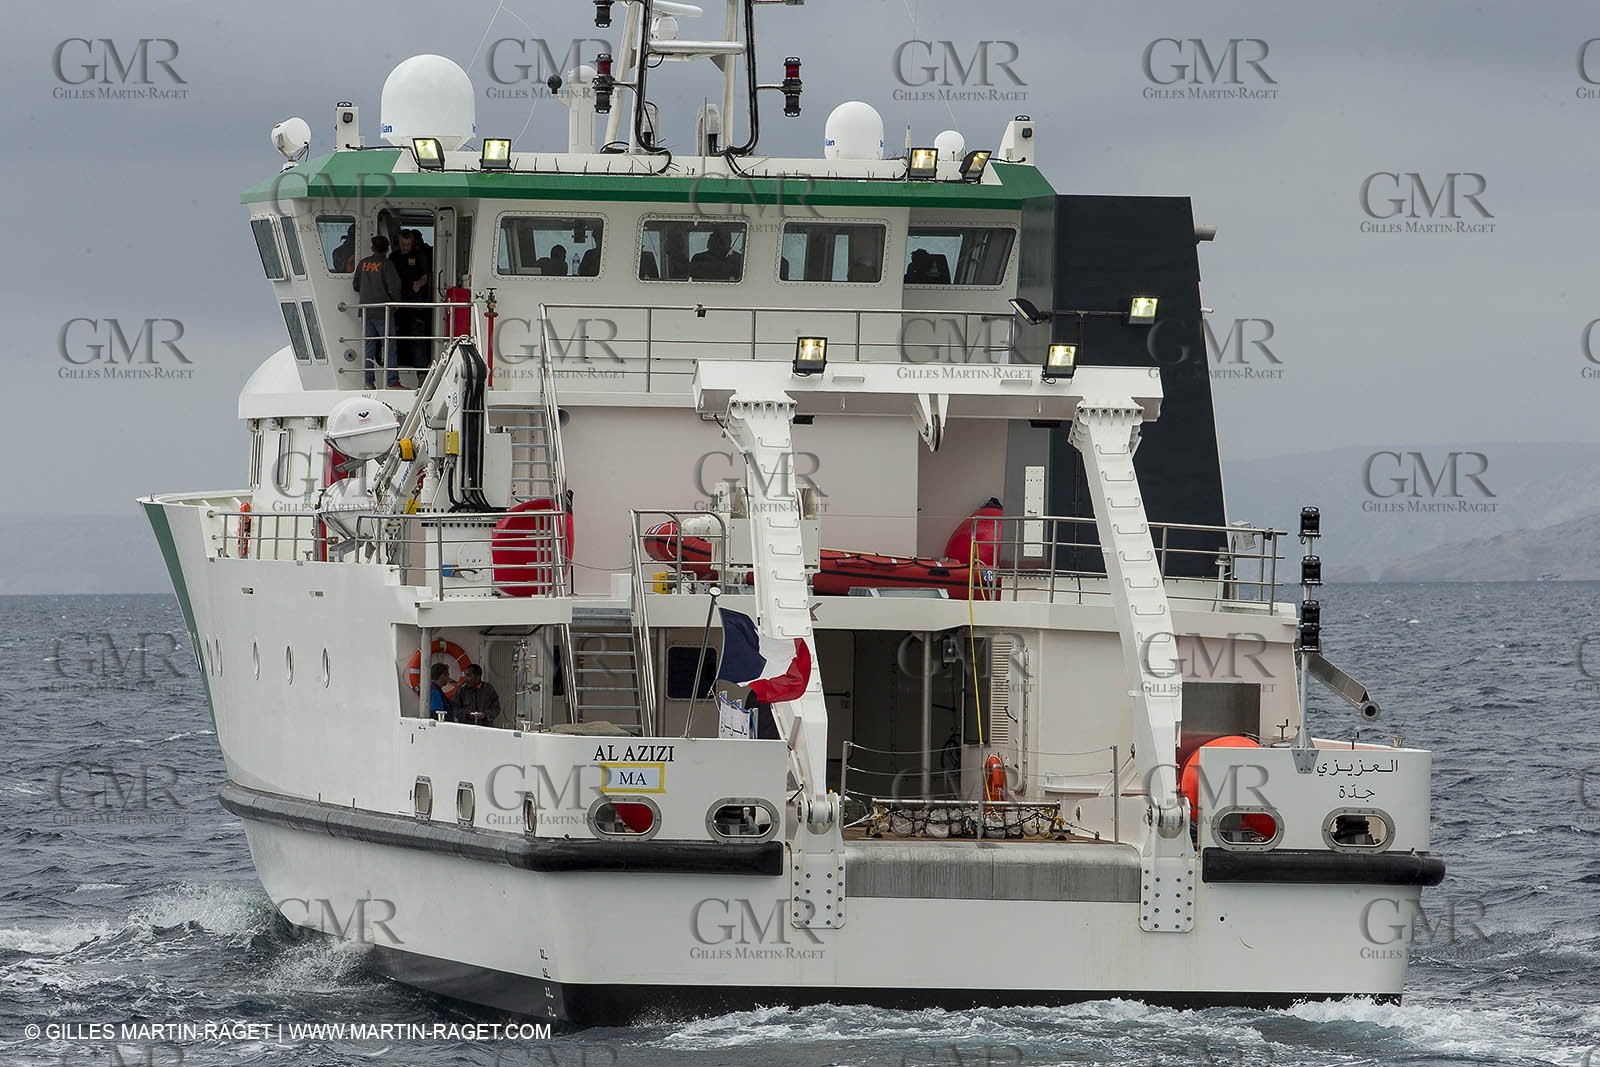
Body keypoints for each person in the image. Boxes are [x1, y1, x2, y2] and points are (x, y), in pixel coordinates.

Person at [353, 235, 401, 387]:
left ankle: (368, 381)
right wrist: (396, 302)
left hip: (366, 311)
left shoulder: (363, 263)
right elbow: (394, 286)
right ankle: (392, 381)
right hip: (382, 311)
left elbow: (356, 285)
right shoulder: (386, 264)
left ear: (372, 248)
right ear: (387, 249)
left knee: (369, 347)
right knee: (389, 345)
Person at [389, 229, 433, 374]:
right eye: (403, 244)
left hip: (415, 303)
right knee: (396, 337)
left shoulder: (419, 255)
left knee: (417, 337)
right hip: (397, 303)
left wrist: (419, 283)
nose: (405, 247)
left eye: (408, 244)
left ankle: (421, 372)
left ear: (412, 243)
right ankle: (395, 371)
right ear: (398, 242)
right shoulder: (393, 257)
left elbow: (426, 276)